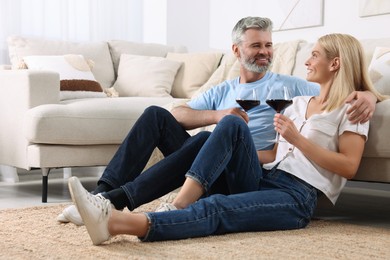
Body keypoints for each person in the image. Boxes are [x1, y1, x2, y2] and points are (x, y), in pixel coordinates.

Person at [67, 32, 386, 245]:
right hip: (260, 175)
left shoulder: (347, 107)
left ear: (334, 63)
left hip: (297, 194)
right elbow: (276, 152)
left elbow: (348, 166)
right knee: (223, 129)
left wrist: (371, 97)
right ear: (237, 51)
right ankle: (110, 197)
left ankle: (131, 215)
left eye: (314, 55)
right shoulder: (298, 103)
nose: (305, 61)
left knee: (219, 205)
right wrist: (229, 138)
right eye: (256, 46)